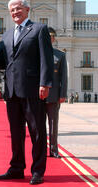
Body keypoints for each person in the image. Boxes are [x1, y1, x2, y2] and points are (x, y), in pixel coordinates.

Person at [0, 0, 53, 185]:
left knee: (37, 132)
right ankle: (16, 168)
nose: (15, 12)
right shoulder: (6, 35)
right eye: (12, 10)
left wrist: (45, 83)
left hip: (32, 90)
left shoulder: (39, 29)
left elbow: (46, 58)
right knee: (16, 132)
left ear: (27, 10)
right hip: (11, 91)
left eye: (18, 8)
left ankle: (38, 170)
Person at [45, 27, 67, 159]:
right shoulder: (36, 54)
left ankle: (53, 150)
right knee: (39, 127)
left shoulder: (60, 55)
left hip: (53, 95)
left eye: (52, 37)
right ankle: (41, 151)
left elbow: (63, 77)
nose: (50, 39)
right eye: (48, 36)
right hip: (38, 96)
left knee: (53, 125)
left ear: (54, 39)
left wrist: (63, 94)